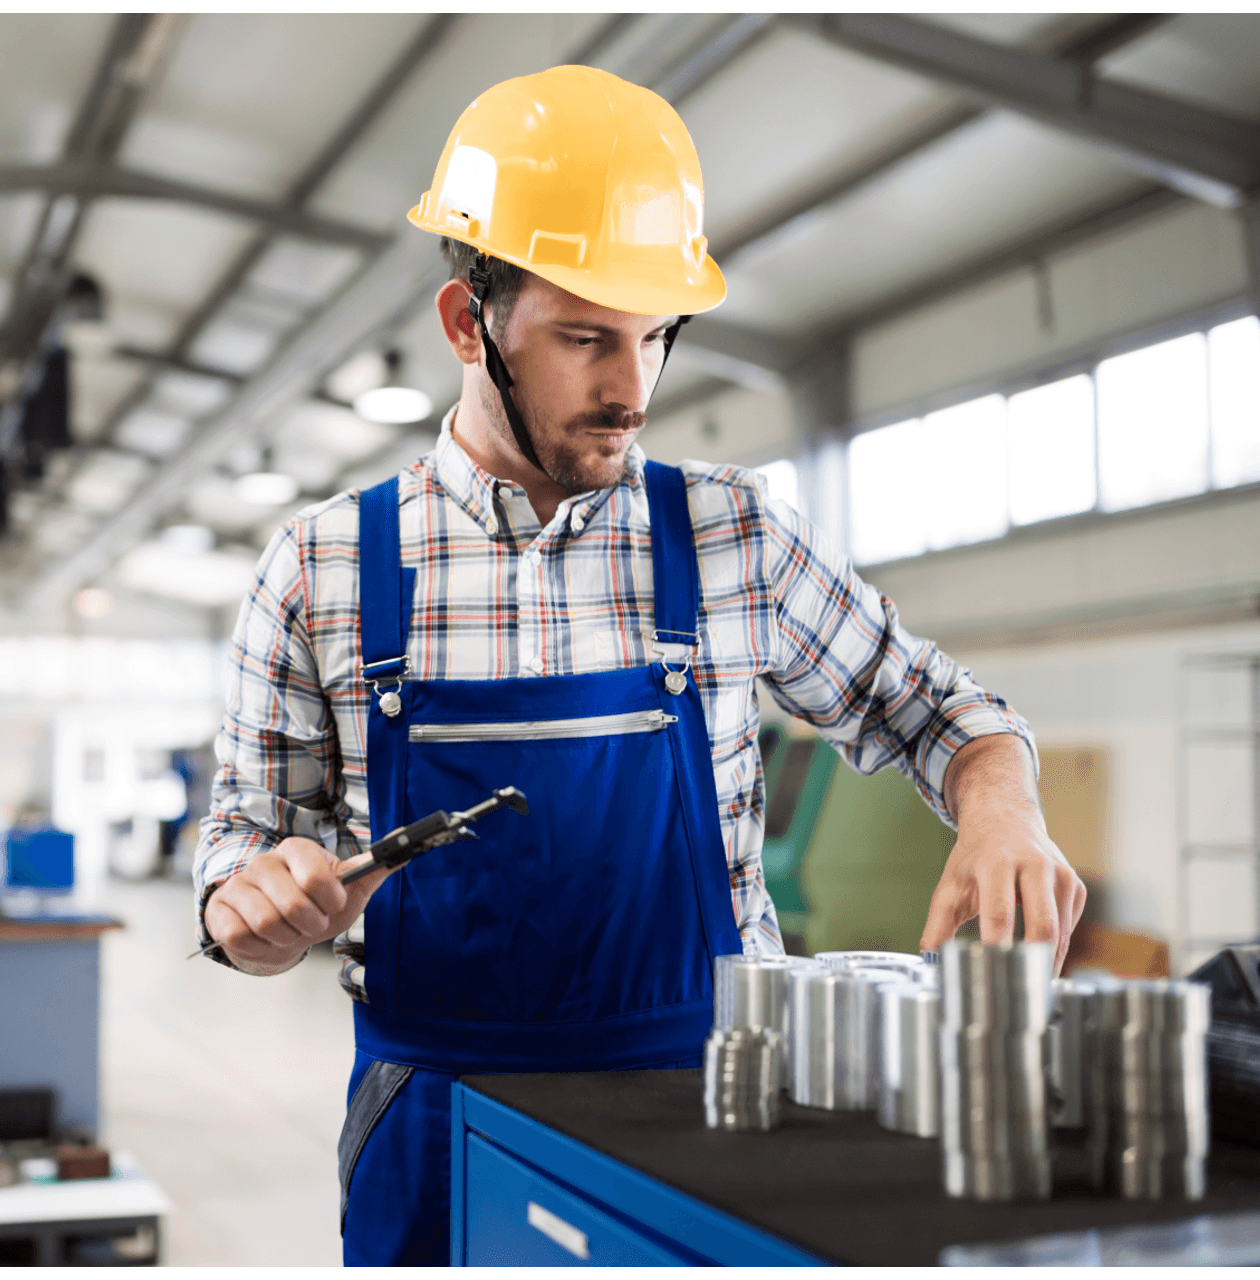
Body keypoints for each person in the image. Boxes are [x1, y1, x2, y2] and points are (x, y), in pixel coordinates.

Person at [192, 65, 1087, 1265]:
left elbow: (943, 711)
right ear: (470, 323)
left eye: (658, 335)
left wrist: (1003, 805)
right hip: (437, 1131)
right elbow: (243, 843)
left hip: (716, 1107)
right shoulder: (321, 569)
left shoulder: (733, 538)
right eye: (585, 338)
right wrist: (249, 909)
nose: (633, 390)